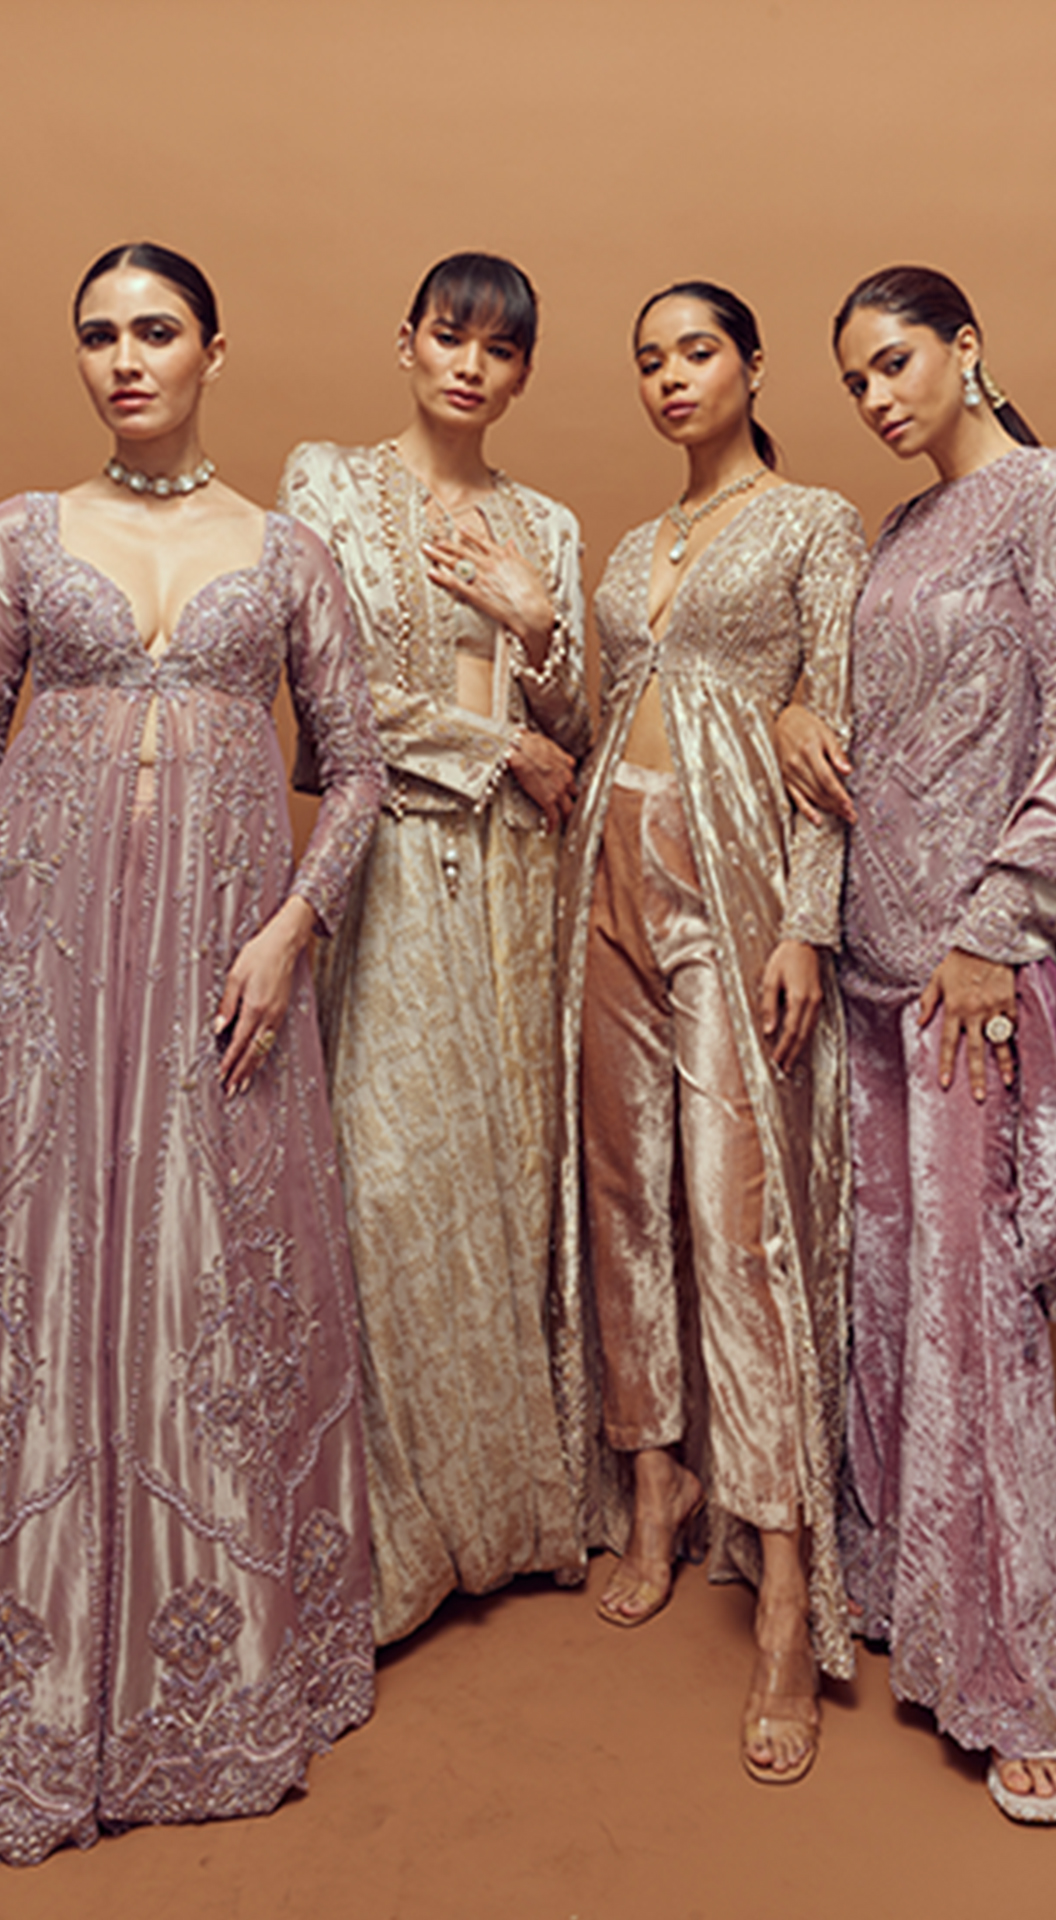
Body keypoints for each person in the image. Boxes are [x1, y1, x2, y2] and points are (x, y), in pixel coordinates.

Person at [0, 243, 386, 1865]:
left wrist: (293, 929)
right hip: (48, 965)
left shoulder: (287, 553)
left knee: (212, 1272)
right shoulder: (25, 534)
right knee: (45, 1256)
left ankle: (207, 1669)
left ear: (213, 350)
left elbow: (356, 767)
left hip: (228, 974)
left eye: (155, 330)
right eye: (98, 333)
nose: (124, 358)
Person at [777, 264, 1056, 1824]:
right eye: (854, 381)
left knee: (976, 1324)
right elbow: (855, 723)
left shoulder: (1052, 498)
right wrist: (793, 719)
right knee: (887, 1304)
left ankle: (1019, 1683)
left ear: (967, 348)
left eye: (896, 362)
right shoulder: (897, 532)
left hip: (971, 973)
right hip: (869, 972)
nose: (878, 397)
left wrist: (998, 922)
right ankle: (907, 1606)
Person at [552, 281, 865, 1781]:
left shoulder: (813, 523)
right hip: (602, 879)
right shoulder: (631, 549)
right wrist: (525, 632)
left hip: (732, 886)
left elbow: (836, 730)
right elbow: (602, 710)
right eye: (649, 361)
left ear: (751, 365)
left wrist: (808, 919)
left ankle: (786, 1581)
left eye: (697, 352)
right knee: (626, 1194)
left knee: (741, 1225)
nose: (671, 378)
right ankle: (655, 1479)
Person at [279, 252, 590, 1644]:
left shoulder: (548, 523)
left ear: (522, 374)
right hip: (395, 857)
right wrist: (495, 743)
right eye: (451, 336)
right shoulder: (330, 487)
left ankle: (513, 1517)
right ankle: (396, 1536)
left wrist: (539, 624)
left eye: (500, 349)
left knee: (506, 1182)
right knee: (391, 1183)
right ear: (405, 341)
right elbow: (332, 698)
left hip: (518, 883)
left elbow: (576, 735)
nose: (471, 365)